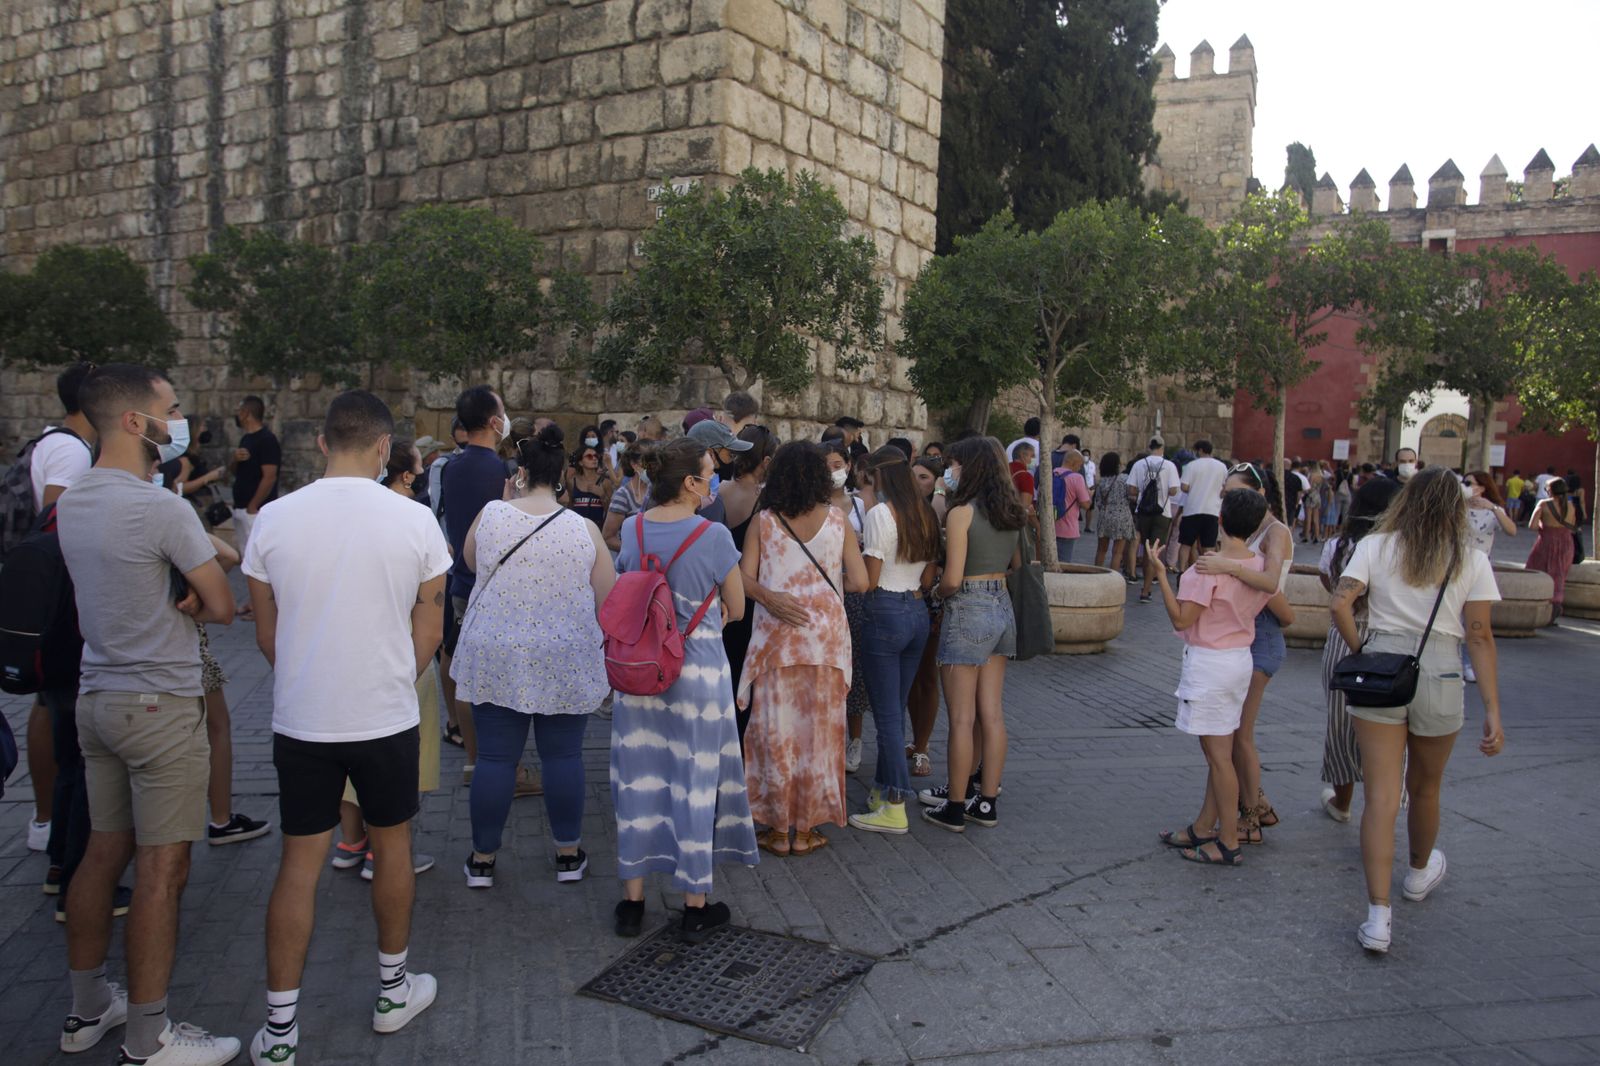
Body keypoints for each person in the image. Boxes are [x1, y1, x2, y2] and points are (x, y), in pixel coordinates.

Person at [242, 391, 449, 1064]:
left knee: (298, 865)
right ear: (386, 448)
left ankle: (279, 1031)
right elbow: (430, 626)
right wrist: (394, 676)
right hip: (384, 714)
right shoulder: (416, 521)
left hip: (303, 716)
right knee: (392, 847)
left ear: (324, 442)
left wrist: (309, 674)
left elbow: (267, 635)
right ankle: (392, 991)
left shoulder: (272, 520)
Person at [56, 364, 240, 1064]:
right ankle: (149, 1035)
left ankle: (85, 1008)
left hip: (97, 697)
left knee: (103, 851)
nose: (179, 418)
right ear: (137, 423)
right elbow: (220, 604)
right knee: (164, 871)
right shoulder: (158, 507)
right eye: (171, 408)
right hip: (160, 703)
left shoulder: (75, 500)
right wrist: (198, 588)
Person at [1329, 467, 1505, 954]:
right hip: (1443, 671)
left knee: (1381, 796)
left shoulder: (1376, 545)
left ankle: (1378, 916)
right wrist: (1492, 708)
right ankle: (1419, 872)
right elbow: (1480, 635)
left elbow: (1340, 603)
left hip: (1382, 668)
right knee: (1426, 787)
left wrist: (1361, 647)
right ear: (1456, 508)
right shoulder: (1470, 557)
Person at [453, 425, 614, 891]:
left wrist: (505, 499)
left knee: (496, 759)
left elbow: (468, 561)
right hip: (563, 654)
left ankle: (482, 858)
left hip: (495, 652)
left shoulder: (493, 515)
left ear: (519, 474)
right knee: (563, 755)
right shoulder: (581, 529)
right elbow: (607, 595)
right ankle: (567, 853)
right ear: (562, 475)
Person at [610, 437, 756, 942]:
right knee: (694, 783)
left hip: (641, 670)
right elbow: (736, 606)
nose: (714, 478)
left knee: (637, 778)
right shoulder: (713, 535)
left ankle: (631, 904)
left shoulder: (633, 528)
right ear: (691, 482)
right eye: (710, 471)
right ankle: (695, 905)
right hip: (697, 672)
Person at [738, 442, 867, 855]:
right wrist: (822, 592)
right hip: (825, 639)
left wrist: (772, 597)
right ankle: (807, 829)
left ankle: (776, 830)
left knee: (775, 731)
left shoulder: (765, 521)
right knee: (820, 735)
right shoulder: (839, 520)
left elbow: (743, 579)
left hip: (777, 638)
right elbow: (862, 581)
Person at [1151, 488, 1276, 866]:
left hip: (1210, 662)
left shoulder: (1207, 568)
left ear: (1220, 519)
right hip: (1238, 659)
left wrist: (1160, 574)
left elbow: (1181, 619)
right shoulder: (1258, 564)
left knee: (1219, 756)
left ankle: (1226, 840)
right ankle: (1206, 826)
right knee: (1218, 752)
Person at [441, 386, 540, 796]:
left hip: (460, 581)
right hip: (494, 586)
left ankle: (473, 761)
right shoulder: (500, 471)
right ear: (494, 421)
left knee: (463, 672)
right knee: (497, 682)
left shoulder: (450, 466)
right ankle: (505, 769)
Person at [920, 437, 1023, 832]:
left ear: (969, 467)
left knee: (961, 719)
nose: (951, 470)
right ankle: (987, 801)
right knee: (991, 714)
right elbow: (1016, 564)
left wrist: (934, 592)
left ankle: (955, 804)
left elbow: (952, 579)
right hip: (1002, 606)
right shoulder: (1010, 510)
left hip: (968, 606)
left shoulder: (962, 512)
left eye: (954, 464)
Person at [1192, 463, 1295, 844]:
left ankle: (1250, 816)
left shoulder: (1275, 531)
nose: (1226, 498)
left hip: (1261, 634)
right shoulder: (1246, 528)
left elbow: (1270, 584)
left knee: (1240, 736)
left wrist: (1226, 566)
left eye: (1233, 491)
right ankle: (1250, 806)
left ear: (1259, 494)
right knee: (1230, 734)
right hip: (1242, 633)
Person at [19, 362, 97, 857]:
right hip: (62, 604)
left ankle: (46, 821)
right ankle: (56, 833)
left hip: (46, 603)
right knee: (62, 719)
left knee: (47, 705)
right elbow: (58, 520)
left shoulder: (47, 442)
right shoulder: (70, 450)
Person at [848, 447, 939, 835]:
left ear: (878, 476)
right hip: (917, 612)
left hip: (884, 610)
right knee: (894, 710)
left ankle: (895, 804)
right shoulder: (926, 512)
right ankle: (884, 790)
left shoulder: (880, 515)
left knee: (886, 716)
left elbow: (867, 580)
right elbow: (929, 578)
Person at [1317, 477, 1404, 823]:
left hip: (1345, 637)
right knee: (1388, 726)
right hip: (1390, 637)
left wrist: (1357, 646)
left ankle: (1342, 802)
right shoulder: (1402, 548)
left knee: (1340, 723)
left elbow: (1332, 589)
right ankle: (1384, 803)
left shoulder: (1337, 546)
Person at [717, 426, 778, 741]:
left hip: (720, 595)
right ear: (765, 460)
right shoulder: (767, 500)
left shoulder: (718, 491)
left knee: (724, 672)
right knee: (747, 676)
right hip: (753, 596)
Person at [822, 439, 871, 771]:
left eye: (837, 465)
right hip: (824, 595)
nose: (832, 472)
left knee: (855, 670)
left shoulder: (862, 507)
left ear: (849, 466)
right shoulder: (813, 504)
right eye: (826, 466)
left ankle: (855, 740)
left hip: (854, 595)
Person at [905, 456, 947, 777]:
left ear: (936, 482)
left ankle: (922, 747)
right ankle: (915, 739)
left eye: (924, 477)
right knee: (909, 679)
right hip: (905, 599)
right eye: (913, 475)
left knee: (927, 678)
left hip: (930, 600)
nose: (917, 481)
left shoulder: (938, 514)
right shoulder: (899, 510)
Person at [229, 395, 280, 605]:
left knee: (259, 562)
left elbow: (270, 476)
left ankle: (262, 605)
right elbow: (235, 472)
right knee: (246, 559)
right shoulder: (245, 439)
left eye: (239, 409)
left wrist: (253, 505)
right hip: (240, 507)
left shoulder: (267, 440)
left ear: (246, 413)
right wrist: (235, 459)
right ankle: (252, 602)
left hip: (255, 510)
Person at [1128, 437, 1180, 604]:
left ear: (1149, 447)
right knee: (1155, 552)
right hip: (1162, 513)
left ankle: (1144, 583)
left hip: (1143, 512)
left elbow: (1132, 489)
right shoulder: (1170, 465)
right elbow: (1173, 491)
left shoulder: (1139, 464)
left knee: (1146, 547)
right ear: (1163, 447)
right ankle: (1146, 590)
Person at [1525, 477, 1578, 620]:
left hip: (1547, 541)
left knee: (1538, 570)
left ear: (1550, 490)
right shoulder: (1571, 506)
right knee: (1559, 574)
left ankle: (1539, 606)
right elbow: (1571, 527)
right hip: (1566, 543)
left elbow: (1532, 525)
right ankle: (1555, 607)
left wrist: (1545, 526)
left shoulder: (1543, 504)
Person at [1176, 441, 1227, 572]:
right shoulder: (1221, 467)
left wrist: (1196, 488)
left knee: (1186, 544)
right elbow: (1225, 488)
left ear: (1200, 450)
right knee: (1209, 546)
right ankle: (1208, 571)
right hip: (1212, 511)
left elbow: (1184, 486)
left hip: (1192, 510)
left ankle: (1182, 570)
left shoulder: (1191, 466)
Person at [1091, 452, 1136, 580]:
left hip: (1105, 516)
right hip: (1122, 516)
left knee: (1101, 550)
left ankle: (1095, 576)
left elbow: (1098, 502)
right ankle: (1112, 579)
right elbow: (1132, 496)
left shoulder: (1101, 482)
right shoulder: (1124, 479)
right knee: (1117, 552)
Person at [602, 440, 650, 554]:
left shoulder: (658, 491)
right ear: (634, 465)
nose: (653, 467)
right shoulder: (623, 495)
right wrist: (637, 551)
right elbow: (608, 538)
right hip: (633, 566)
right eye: (648, 463)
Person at [1051, 447, 1092, 564]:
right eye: (1079, 465)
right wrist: (1089, 495)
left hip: (1049, 525)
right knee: (1063, 564)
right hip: (1067, 528)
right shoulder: (1077, 478)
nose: (1079, 469)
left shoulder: (1052, 473)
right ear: (1073, 463)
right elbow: (1086, 505)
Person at [561, 439, 614, 527]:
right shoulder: (572, 481)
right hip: (577, 528)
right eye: (589, 456)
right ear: (580, 462)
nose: (594, 459)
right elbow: (570, 506)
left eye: (596, 456)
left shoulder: (605, 483)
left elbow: (612, 512)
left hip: (597, 529)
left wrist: (603, 496)